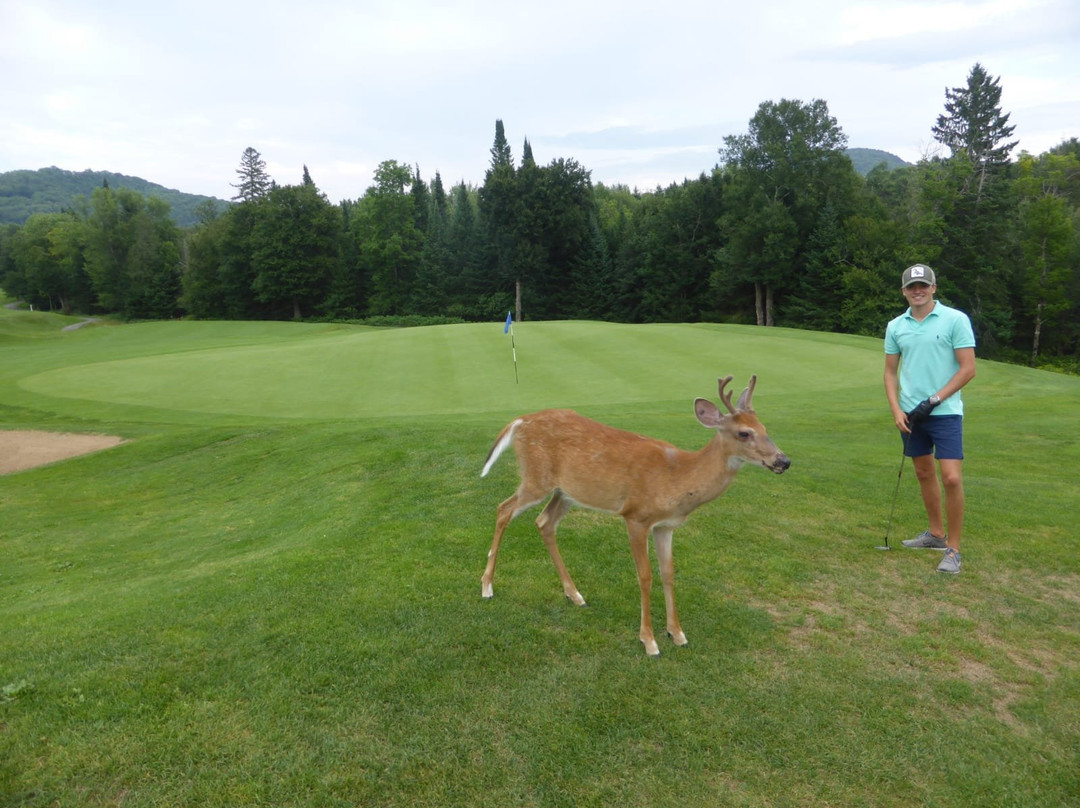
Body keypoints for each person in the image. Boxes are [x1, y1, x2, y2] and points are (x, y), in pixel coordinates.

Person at [883, 264, 977, 574]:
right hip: (910, 414)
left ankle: (954, 549)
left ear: (934, 287)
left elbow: (967, 369)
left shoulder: (955, 320)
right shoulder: (896, 326)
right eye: (911, 287)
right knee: (924, 473)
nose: (917, 290)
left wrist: (935, 399)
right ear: (904, 292)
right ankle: (936, 535)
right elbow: (890, 371)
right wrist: (897, 409)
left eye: (923, 285)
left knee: (950, 477)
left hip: (945, 412)